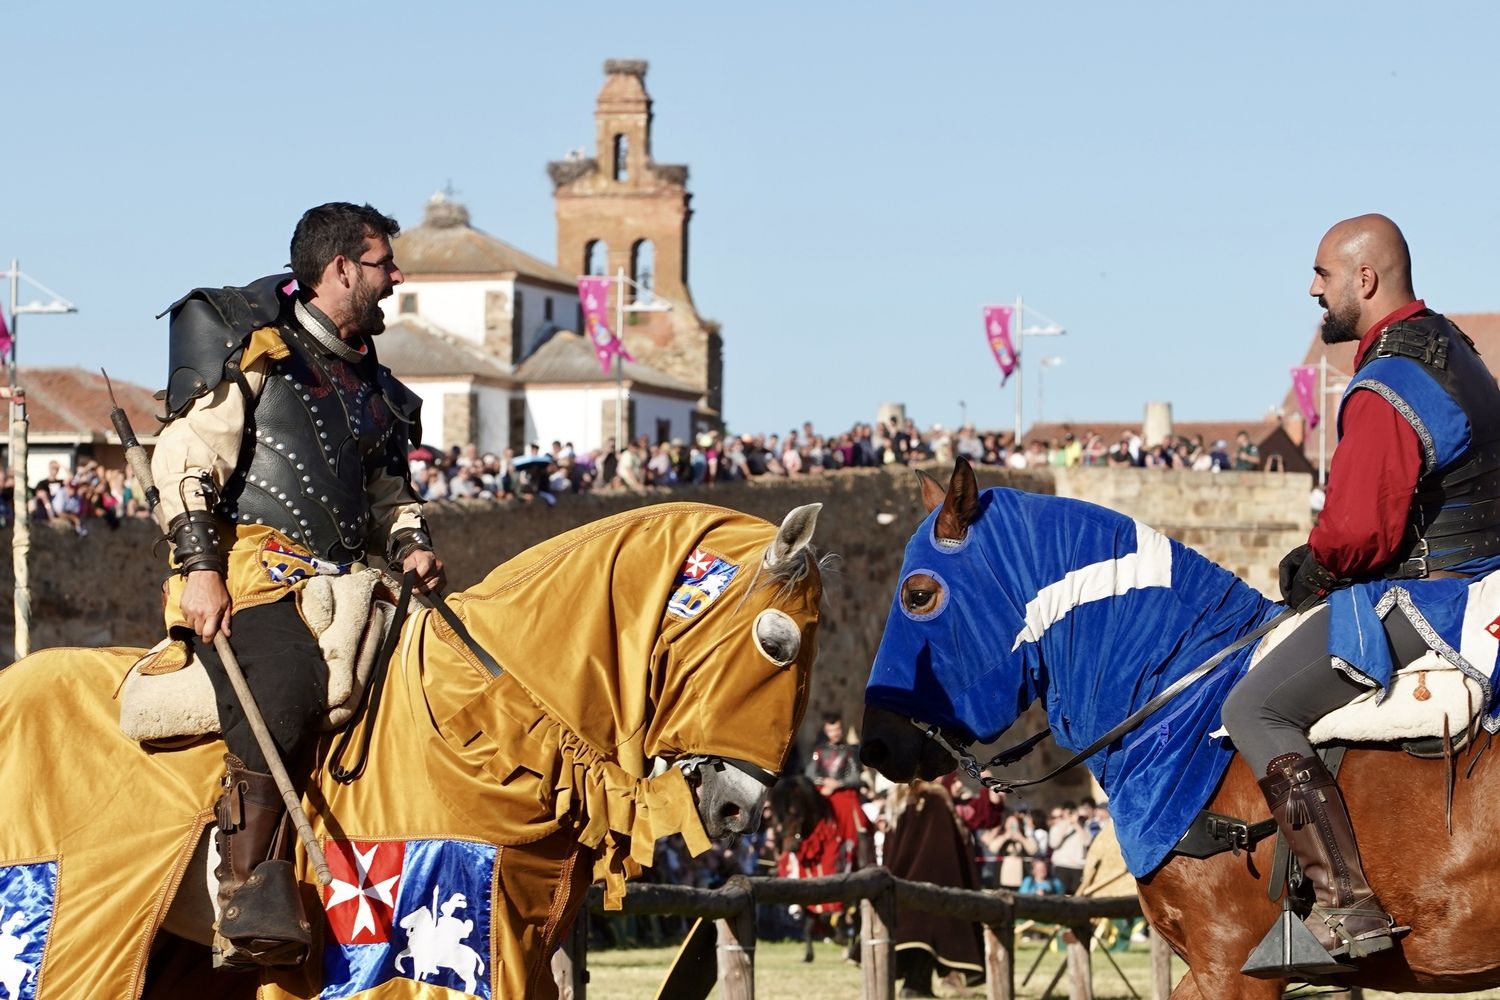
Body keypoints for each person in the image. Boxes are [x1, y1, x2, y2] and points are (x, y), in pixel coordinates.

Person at [152, 202, 445, 968]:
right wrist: (202, 569)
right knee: (286, 687)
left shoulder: (373, 384)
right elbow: (187, 457)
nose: (396, 277)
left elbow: (388, 492)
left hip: (357, 579)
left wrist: (411, 543)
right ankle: (245, 892)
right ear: (343, 268)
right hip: (252, 574)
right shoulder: (254, 353)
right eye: (385, 264)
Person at [1223, 214, 1500, 964]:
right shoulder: (1454, 350)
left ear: (1365, 279)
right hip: (1484, 583)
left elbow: (1357, 534)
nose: (1315, 290)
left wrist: (1310, 567)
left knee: (1255, 703)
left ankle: (1346, 909)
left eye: (1323, 275)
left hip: (1432, 596)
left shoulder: (1387, 385)